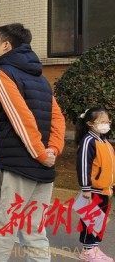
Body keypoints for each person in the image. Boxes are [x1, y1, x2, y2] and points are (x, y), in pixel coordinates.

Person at [0, 23, 66, 261]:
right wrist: (53, 151)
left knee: (0, 230)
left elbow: (20, 117)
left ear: (6, 45)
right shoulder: (40, 79)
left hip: (15, 167)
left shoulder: (1, 73)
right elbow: (57, 118)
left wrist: (40, 152)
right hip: (43, 170)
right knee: (35, 232)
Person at [75, 107, 113, 262]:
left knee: (99, 221)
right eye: (102, 121)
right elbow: (84, 164)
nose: (106, 124)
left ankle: (94, 247)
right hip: (93, 190)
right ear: (90, 123)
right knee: (90, 220)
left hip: (104, 190)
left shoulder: (104, 141)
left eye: (107, 121)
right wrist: (86, 188)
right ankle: (87, 251)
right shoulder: (89, 141)